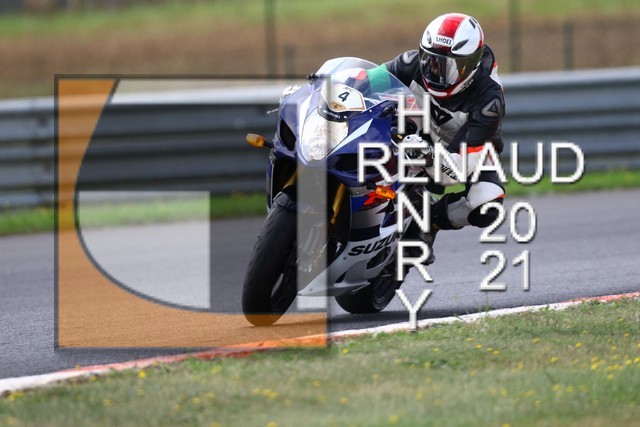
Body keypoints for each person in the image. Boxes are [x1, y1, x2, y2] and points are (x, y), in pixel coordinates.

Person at [378, 12, 506, 266]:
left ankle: (428, 220)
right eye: (430, 60)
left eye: (445, 66)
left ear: (469, 65)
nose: (433, 71)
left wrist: (427, 156)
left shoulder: (489, 100)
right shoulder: (411, 63)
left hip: (469, 148)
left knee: (487, 202)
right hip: (420, 130)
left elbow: (455, 172)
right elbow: (366, 80)